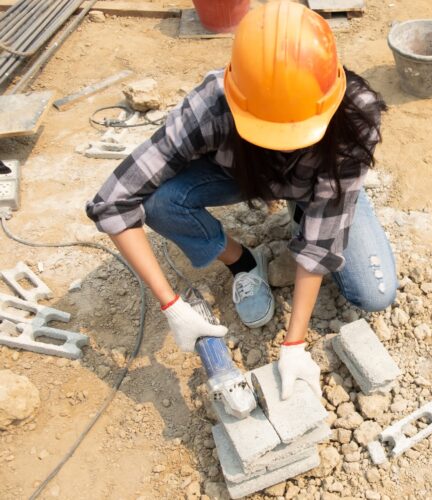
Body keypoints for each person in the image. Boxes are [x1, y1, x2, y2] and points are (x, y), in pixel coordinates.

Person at [85, 1, 397, 400]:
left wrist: (294, 344)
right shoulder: (211, 104)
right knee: (160, 200)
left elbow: (321, 245)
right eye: (270, 132)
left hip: (323, 186)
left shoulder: (355, 116)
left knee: (374, 294)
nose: (285, 144)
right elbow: (113, 201)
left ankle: (303, 208)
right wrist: (172, 306)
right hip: (243, 177)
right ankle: (244, 262)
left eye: (297, 133)